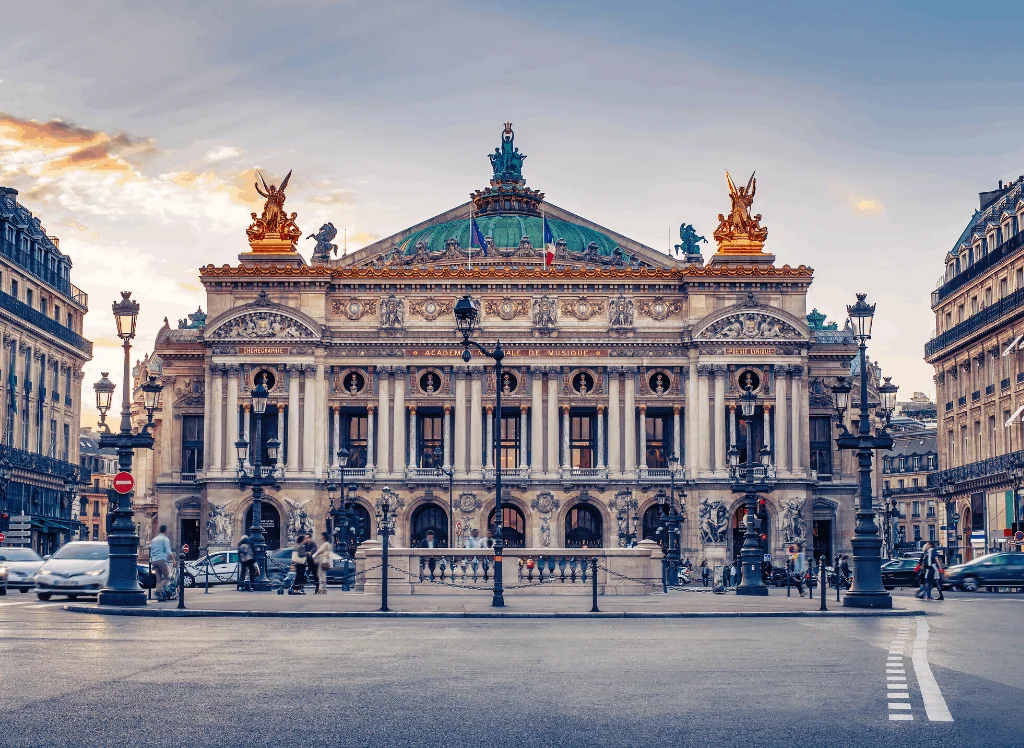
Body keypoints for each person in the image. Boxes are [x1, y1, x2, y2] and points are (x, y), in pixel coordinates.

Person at [150, 525, 172, 600]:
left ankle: (160, 596)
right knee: (167, 577)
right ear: (165, 530)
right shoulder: (165, 539)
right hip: (161, 560)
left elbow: (151, 552)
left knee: (158, 579)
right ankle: (158, 591)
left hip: (154, 560)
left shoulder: (154, 539)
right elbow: (168, 551)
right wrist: (174, 560)